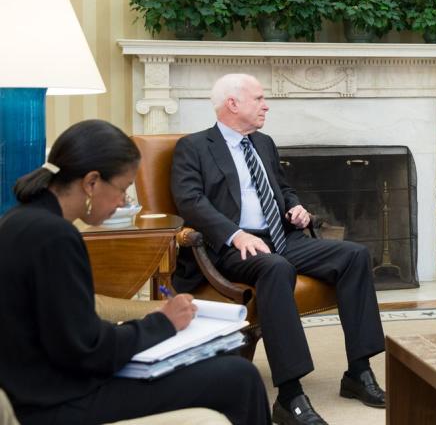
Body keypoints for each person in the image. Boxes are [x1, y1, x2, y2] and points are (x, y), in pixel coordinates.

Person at [0, 119, 269, 425]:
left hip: (34, 388)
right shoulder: (55, 237)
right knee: (240, 376)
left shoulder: (18, 219)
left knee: (220, 363)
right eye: (123, 189)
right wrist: (162, 324)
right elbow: (88, 352)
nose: (123, 202)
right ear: (91, 182)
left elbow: (70, 329)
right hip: (57, 403)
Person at [171, 73, 385, 425]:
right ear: (232, 104)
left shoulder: (264, 143)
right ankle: (289, 395)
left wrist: (295, 207)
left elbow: (282, 189)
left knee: (354, 255)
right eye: (259, 98)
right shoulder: (193, 147)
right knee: (275, 268)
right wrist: (235, 234)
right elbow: (190, 201)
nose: (266, 104)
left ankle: (358, 373)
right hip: (231, 248)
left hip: (282, 237)